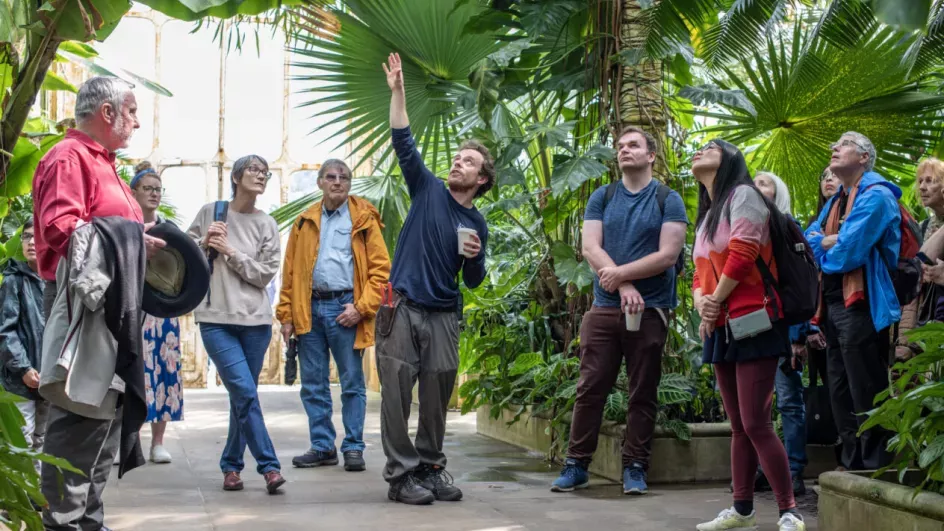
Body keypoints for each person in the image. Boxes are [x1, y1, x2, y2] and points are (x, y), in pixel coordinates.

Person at [32, 76, 166, 530]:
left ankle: (89, 519)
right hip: (81, 304)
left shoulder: (104, 163)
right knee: (80, 412)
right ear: (106, 112)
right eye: (130, 111)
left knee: (105, 420)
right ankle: (63, 523)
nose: (136, 121)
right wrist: (130, 239)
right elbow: (60, 228)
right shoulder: (69, 157)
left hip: (110, 305)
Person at [378, 52, 492, 505]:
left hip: (445, 314)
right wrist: (398, 92)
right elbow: (403, 139)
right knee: (396, 393)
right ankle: (400, 475)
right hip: (403, 306)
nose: (458, 163)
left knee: (437, 393)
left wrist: (476, 257)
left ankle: (429, 466)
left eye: (468, 162)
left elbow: (475, 281)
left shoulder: (478, 223)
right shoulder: (427, 188)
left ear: (482, 179)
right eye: (457, 157)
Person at [550, 127, 687, 495]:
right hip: (605, 308)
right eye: (621, 146)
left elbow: (668, 256)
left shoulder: (667, 198)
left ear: (651, 155)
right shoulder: (603, 195)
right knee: (590, 388)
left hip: (651, 309)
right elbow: (591, 248)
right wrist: (624, 285)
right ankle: (576, 465)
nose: (624, 150)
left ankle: (636, 468)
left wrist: (622, 275)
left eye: (633, 145)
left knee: (643, 391)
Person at [691, 140, 805, 531]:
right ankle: (742, 510)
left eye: (710, 146)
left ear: (730, 159)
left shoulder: (744, 195)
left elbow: (742, 252)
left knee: (757, 422)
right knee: (738, 425)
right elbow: (697, 272)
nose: (698, 150)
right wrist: (703, 304)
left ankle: (790, 511)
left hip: (754, 320)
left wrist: (714, 301)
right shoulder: (708, 213)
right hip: (720, 324)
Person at [278, 159, 390, 472]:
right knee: (313, 384)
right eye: (330, 176)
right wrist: (286, 315)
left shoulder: (364, 217)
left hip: (346, 309)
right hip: (309, 309)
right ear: (320, 183)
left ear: (350, 183)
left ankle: (353, 447)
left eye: (343, 177)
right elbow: (290, 273)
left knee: (352, 382)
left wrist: (361, 308)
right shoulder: (304, 221)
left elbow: (381, 271)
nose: (337, 182)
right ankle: (322, 446)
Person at [187, 155, 285, 494]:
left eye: (265, 172)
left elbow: (264, 275)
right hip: (215, 319)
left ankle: (231, 466)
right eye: (254, 170)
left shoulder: (267, 224)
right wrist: (203, 243)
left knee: (242, 397)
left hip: (256, 322)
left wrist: (229, 250)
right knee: (244, 392)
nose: (261, 176)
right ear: (237, 175)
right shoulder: (210, 213)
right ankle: (270, 467)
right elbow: (182, 259)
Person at [805, 131, 900, 472]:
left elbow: (849, 253)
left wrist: (829, 244)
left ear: (863, 157)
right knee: (839, 386)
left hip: (860, 303)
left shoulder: (877, 196)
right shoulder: (836, 200)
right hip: (832, 303)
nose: (834, 147)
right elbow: (808, 239)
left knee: (866, 383)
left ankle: (876, 465)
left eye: (843, 144)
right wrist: (828, 242)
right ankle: (851, 462)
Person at [753, 171, 808, 495]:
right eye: (754, 183)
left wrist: (798, 337)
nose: (758, 187)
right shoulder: (745, 228)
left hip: (784, 326)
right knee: (757, 404)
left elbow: (800, 288)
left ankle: (794, 470)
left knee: (788, 400)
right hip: (753, 325)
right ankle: (764, 469)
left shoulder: (787, 226)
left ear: (779, 192)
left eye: (765, 183)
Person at [130, 161, 184, 464]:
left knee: (163, 371)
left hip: (163, 310)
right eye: (148, 188)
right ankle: (131, 440)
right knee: (133, 373)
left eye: (158, 189)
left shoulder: (169, 230)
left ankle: (158, 442)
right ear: (133, 191)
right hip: (132, 307)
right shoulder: (124, 226)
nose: (154, 194)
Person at [0, 219, 48, 466]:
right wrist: (24, 369)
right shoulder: (14, 280)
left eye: (37, 236)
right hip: (21, 379)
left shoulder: (58, 281)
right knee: (23, 440)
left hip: (53, 377)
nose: (31, 242)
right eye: (27, 236)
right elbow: (5, 331)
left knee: (46, 440)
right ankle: (25, 503)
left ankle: (42, 498)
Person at [898, 158, 944, 356]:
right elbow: (919, 261)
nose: (923, 187)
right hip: (928, 306)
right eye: (920, 182)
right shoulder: (924, 226)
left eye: (930, 181)